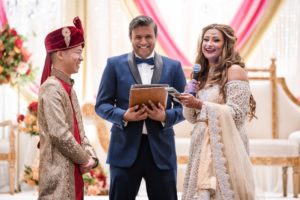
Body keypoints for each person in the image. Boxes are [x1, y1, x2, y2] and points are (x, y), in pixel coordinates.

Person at [95, 15, 186, 200]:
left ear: (155, 37)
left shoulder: (174, 67)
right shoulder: (113, 65)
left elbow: (185, 107)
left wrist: (165, 117)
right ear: (131, 37)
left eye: (148, 37)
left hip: (161, 151)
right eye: (138, 37)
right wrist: (124, 116)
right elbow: (101, 105)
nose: (143, 42)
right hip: (123, 150)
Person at [178, 24, 256, 200]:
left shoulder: (235, 71)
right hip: (201, 145)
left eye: (215, 39)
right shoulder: (202, 75)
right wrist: (189, 99)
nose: (209, 43)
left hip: (225, 146)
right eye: (206, 39)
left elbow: (237, 114)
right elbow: (192, 118)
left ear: (226, 44)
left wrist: (199, 104)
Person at [38, 17, 98, 200]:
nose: (81, 58)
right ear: (60, 54)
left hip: (73, 171)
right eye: (78, 52)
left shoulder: (69, 88)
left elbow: (80, 131)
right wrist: (84, 159)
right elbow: (59, 133)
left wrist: (92, 157)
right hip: (59, 175)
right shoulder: (51, 88)